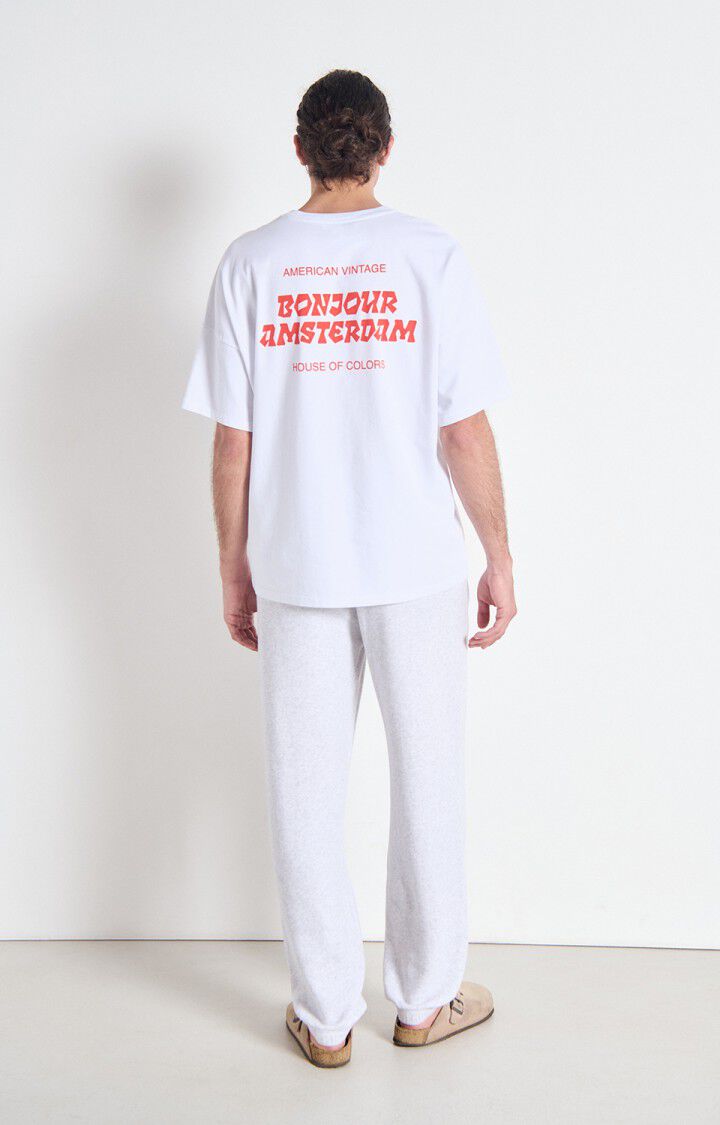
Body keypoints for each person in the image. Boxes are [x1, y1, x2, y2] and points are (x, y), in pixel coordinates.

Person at [183, 69, 516, 1069]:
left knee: (305, 791)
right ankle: (423, 1001)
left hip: (297, 563)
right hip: (414, 560)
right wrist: (499, 553)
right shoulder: (428, 254)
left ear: (300, 149)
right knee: (429, 779)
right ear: (384, 147)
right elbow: (463, 426)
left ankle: (326, 1016)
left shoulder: (251, 262)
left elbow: (234, 441)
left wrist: (234, 567)